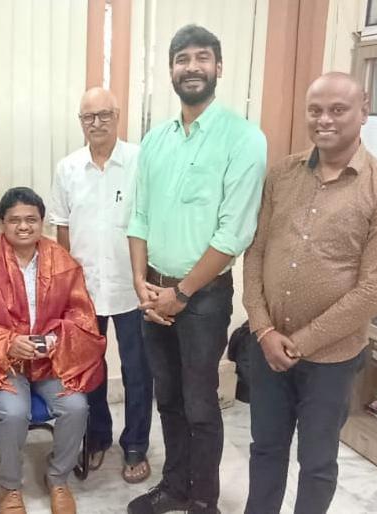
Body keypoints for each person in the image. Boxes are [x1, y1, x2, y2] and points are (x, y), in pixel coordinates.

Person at [242, 72, 377, 514]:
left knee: (317, 462)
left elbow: (373, 292)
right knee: (265, 449)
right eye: (315, 110)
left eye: (338, 110)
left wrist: (299, 344)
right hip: (267, 348)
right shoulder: (282, 174)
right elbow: (256, 252)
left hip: (331, 360)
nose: (324, 120)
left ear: (364, 113)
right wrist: (263, 330)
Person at [126, 24, 267, 514]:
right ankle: (175, 486)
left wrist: (181, 293)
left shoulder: (244, 139)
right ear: (170, 70)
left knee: (200, 403)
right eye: (182, 59)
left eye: (202, 57)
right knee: (167, 398)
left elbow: (233, 234)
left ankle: (204, 500)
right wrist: (141, 284)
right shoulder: (155, 141)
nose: (191, 67)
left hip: (202, 299)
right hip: (154, 292)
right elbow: (138, 217)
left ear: (218, 67)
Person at [0, 187, 106, 514]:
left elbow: (81, 314)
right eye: (15, 220)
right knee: (14, 412)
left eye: (31, 219)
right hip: (3, 364)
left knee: (76, 406)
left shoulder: (62, 262)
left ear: (42, 222)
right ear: (2, 223)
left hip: (52, 361)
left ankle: (58, 477)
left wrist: (56, 337)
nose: (23, 226)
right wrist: (7, 342)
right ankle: (9, 486)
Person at [48, 87, 154, 484]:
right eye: (88, 117)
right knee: (89, 369)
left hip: (133, 287)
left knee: (138, 371)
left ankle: (136, 445)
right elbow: (61, 227)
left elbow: (152, 220)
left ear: (118, 116)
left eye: (104, 115)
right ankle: (97, 435)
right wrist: (67, 284)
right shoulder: (68, 168)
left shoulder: (141, 161)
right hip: (86, 290)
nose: (96, 123)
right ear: (80, 122)